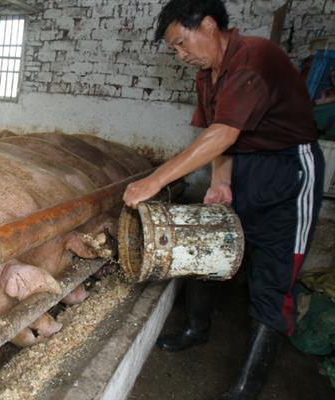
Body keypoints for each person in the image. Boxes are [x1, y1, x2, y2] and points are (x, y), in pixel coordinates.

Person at [122, 1, 325, 399]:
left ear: (210, 24)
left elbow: (224, 133)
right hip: (245, 166)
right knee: (208, 246)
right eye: (174, 49)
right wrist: (221, 181)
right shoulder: (208, 75)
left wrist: (155, 179)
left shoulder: (254, 57)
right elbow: (220, 136)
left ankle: (248, 386)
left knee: (275, 271)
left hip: (288, 171)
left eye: (181, 43)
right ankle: (197, 329)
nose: (180, 54)